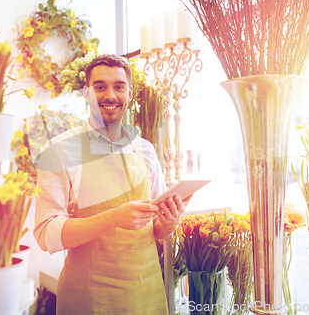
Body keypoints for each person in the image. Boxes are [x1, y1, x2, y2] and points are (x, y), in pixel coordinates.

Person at [33, 54, 191, 315]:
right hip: (89, 297)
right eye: (99, 86)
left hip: (148, 292)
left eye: (118, 86)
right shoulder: (58, 150)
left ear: (129, 92)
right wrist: (114, 217)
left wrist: (170, 221)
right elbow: (45, 234)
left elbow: (155, 229)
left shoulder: (146, 149)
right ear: (86, 92)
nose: (110, 95)